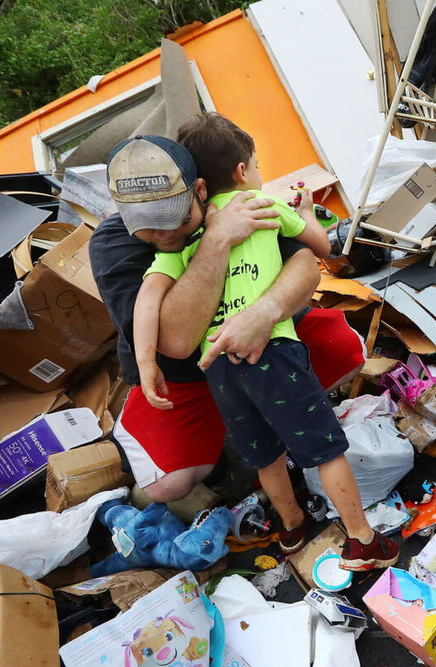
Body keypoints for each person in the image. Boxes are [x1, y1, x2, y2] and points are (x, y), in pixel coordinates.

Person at [114, 117, 397, 571]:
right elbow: (321, 247)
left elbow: (149, 298)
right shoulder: (260, 203)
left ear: (199, 188)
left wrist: (147, 361)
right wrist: (304, 212)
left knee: (265, 453)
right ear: (242, 170)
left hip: (219, 365)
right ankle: (362, 540)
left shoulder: (184, 238)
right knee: (325, 449)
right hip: (273, 353)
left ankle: (290, 529)